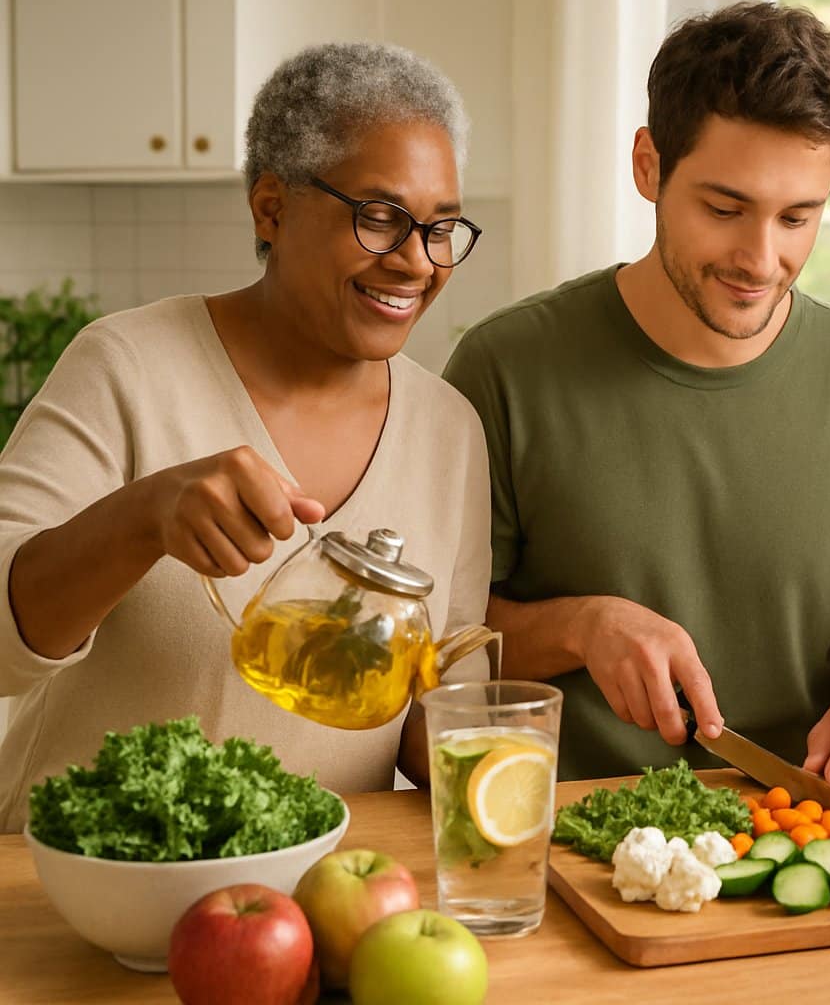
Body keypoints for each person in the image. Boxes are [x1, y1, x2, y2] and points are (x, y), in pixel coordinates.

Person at [444, 2, 830, 803]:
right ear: (648, 166)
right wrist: (583, 626)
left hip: (791, 825)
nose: (761, 258)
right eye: (725, 209)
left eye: (798, 217)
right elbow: (444, 638)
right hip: (568, 833)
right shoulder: (505, 367)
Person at [0, 42, 492, 832]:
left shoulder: (449, 431)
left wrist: (499, 740)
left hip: (309, 897)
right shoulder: (126, 365)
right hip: (78, 883)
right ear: (271, 208)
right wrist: (142, 519)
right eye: (379, 218)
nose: (416, 261)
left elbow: (434, 713)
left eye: (441, 229)